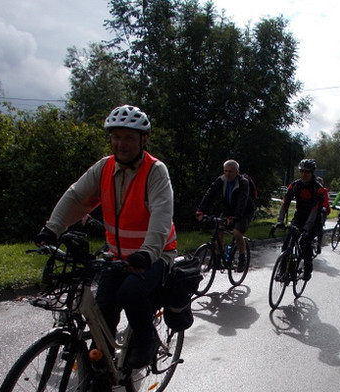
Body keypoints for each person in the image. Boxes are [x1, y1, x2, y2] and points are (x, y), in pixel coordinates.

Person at [35, 104, 177, 368]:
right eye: (116, 137)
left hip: (155, 255)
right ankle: (100, 371)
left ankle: (147, 340)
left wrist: (147, 253)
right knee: (103, 309)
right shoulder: (104, 168)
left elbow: (161, 215)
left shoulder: (155, 171)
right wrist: (52, 229)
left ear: (143, 139)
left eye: (129, 138)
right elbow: (76, 197)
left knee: (131, 292)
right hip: (116, 256)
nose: (121, 144)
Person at [195, 159, 254, 271]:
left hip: (244, 211)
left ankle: (242, 258)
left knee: (236, 232)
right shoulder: (221, 180)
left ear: (237, 172)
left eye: (230, 171)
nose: (227, 173)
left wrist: (235, 217)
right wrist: (200, 211)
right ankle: (218, 259)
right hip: (228, 210)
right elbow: (209, 194)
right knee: (219, 229)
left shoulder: (243, 182)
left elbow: (242, 201)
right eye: (225, 171)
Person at [276, 159, 323, 280]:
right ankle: (283, 271)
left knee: (304, 242)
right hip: (299, 217)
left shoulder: (317, 188)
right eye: (302, 171)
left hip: (314, 220)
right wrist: (280, 221)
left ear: (312, 173)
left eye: (307, 172)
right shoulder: (295, 185)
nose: (304, 174)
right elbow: (285, 203)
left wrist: (306, 228)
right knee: (287, 244)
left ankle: (307, 270)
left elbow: (315, 209)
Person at [316, 176, 331, 254]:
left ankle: (319, 245)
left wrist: (323, 208)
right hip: (313, 209)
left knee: (319, 227)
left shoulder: (324, 191)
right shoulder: (313, 189)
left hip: (322, 210)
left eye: (320, 183)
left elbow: (325, 201)